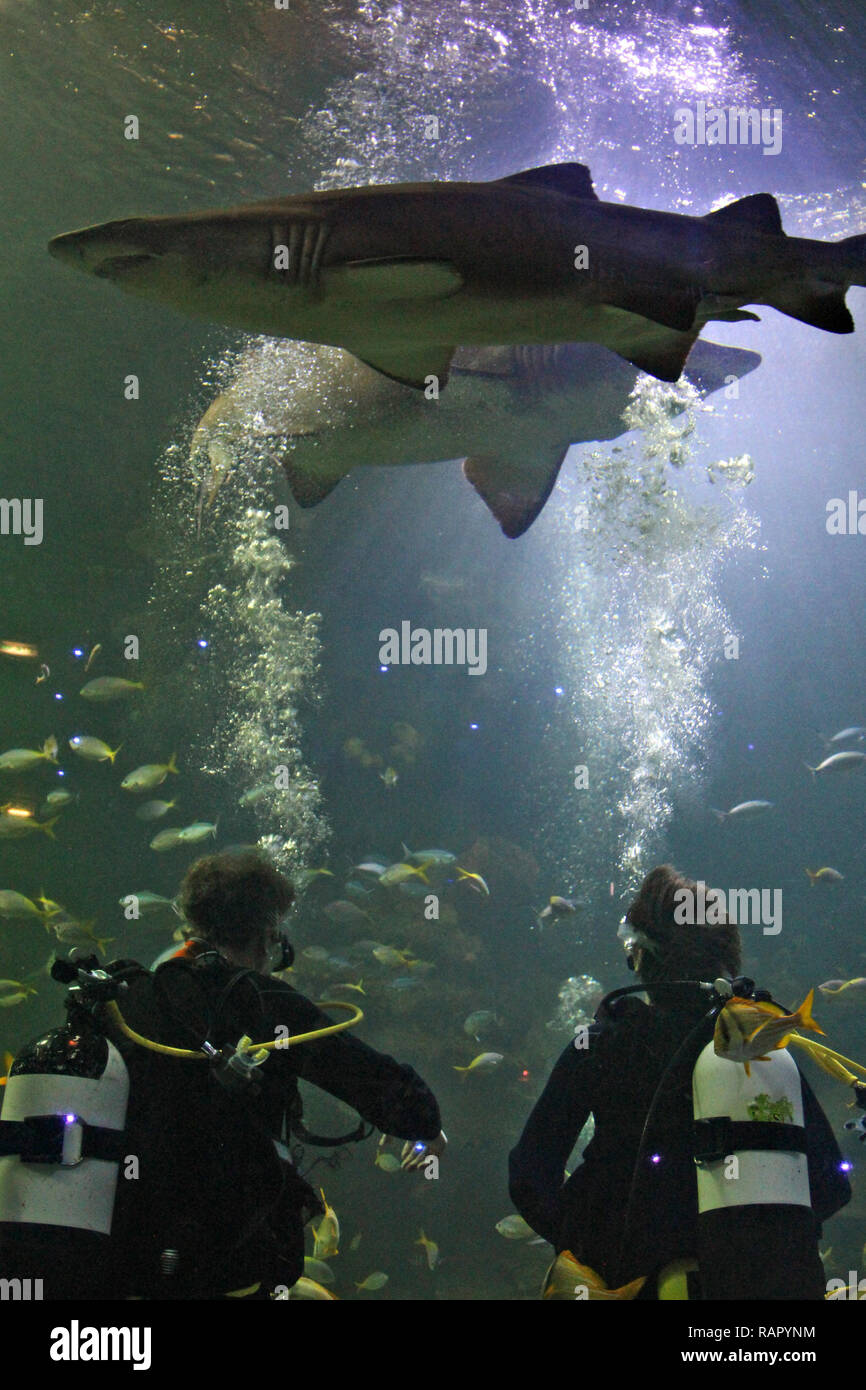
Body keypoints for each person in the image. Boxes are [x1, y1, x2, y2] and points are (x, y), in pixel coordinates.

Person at [0, 850, 445, 1299]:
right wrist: (429, 1128)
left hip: (119, 1274)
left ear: (193, 920)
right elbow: (407, 1105)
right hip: (222, 1274)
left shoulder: (123, 1001)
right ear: (269, 931)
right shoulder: (260, 1000)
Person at [508, 865, 851, 1300]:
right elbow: (832, 1184)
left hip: (629, 1284)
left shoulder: (601, 1045)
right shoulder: (756, 1047)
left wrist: (585, 1248)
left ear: (639, 957)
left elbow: (529, 1175)